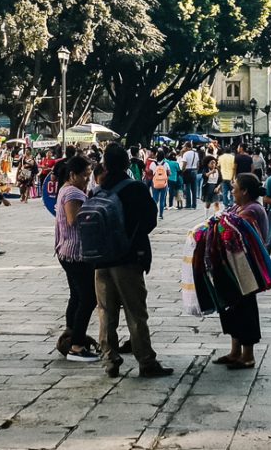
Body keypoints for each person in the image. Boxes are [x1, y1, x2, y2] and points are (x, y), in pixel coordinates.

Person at [94, 143, 173, 379]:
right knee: (135, 311)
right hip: (128, 258)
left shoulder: (98, 190)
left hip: (101, 260)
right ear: (128, 164)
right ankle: (146, 360)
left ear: (105, 165)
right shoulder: (135, 189)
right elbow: (150, 221)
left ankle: (109, 359)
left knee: (106, 311)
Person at [214, 172, 270, 370]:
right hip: (235, 265)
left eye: (235, 188)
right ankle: (235, 351)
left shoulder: (252, 210)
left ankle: (248, 355)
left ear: (245, 191)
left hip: (246, 268)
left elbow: (230, 230)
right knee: (233, 308)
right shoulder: (240, 207)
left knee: (245, 309)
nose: (233, 191)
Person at [56, 154, 100, 361]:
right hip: (76, 253)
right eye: (84, 175)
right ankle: (76, 345)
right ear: (73, 174)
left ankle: (70, 333)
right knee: (88, 298)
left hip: (66, 251)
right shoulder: (73, 192)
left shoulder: (66, 189)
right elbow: (74, 220)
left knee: (77, 295)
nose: (87, 179)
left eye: (89, 175)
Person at [148, 149, 170, 219]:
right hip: (164, 183)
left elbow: (150, 172)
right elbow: (169, 173)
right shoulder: (166, 164)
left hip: (155, 183)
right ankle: (161, 215)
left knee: (155, 198)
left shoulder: (153, 163)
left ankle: (153, 213)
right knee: (162, 199)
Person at [180, 143, 199, 210]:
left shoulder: (186, 154)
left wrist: (182, 171)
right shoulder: (195, 154)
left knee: (187, 188)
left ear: (187, 147)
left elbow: (184, 163)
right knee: (194, 189)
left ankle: (188, 204)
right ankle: (194, 204)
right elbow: (198, 164)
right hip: (194, 171)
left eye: (184, 147)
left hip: (187, 171)